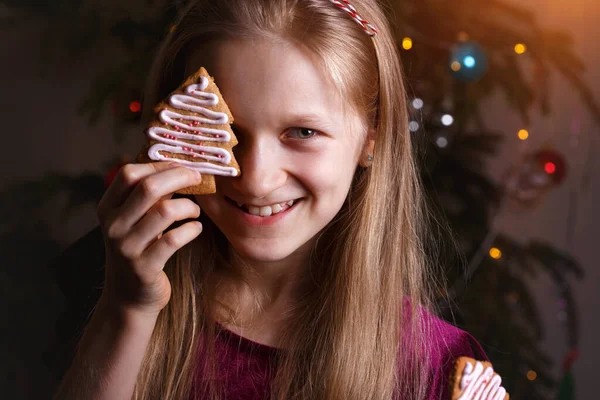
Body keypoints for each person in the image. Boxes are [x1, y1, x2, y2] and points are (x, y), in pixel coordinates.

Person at [52, 0, 489, 399]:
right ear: (180, 130)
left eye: (302, 132)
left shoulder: (437, 369)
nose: (257, 180)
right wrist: (126, 310)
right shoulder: (103, 288)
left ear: (370, 137)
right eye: (227, 134)